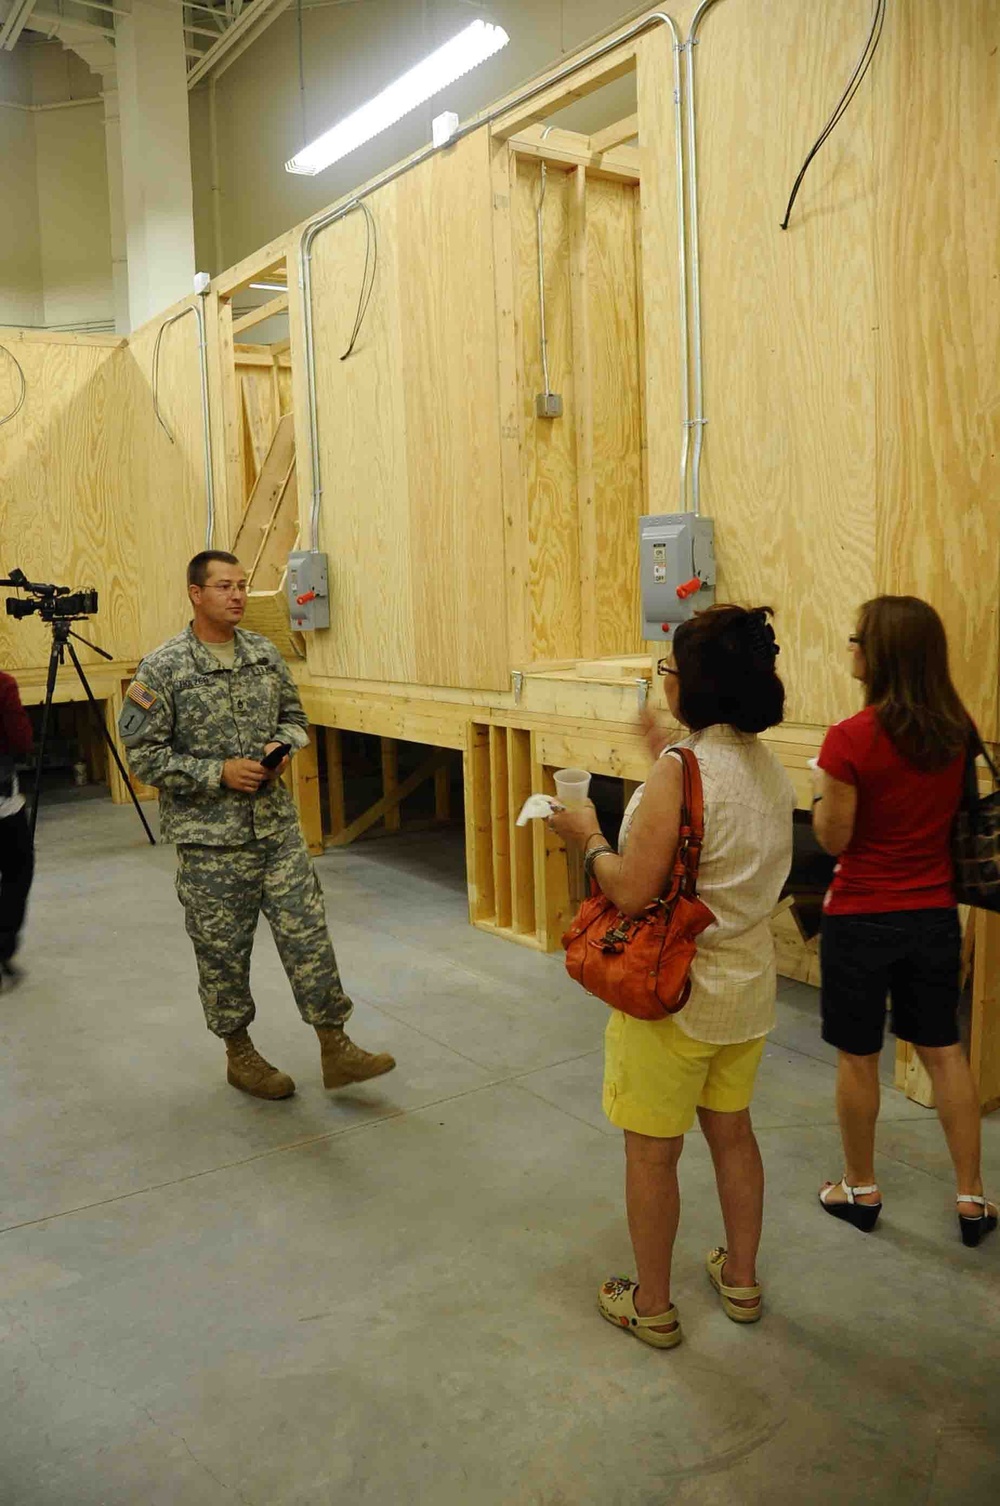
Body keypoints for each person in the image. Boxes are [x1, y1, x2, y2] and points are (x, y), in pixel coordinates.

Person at [550, 605, 794, 1348]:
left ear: (696, 685)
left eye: (670, 672)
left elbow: (630, 889)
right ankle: (742, 1279)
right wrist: (670, 747)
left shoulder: (681, 774)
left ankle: (650, 1303)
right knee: (734, 1135)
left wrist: (584, 833)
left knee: (653, 1153)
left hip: (672, 996)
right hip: (745, 990)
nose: (664, 682)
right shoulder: (768, 769)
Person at [119, 551, 395, 1100]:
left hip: (275, 830)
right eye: (224, 586)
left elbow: (295, 719)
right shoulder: (164, 668)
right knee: (222, 950)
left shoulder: (265, 655)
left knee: (308, 934)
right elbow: (143, 757)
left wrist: (282, 746)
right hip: (212, 843)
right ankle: (239, 1054)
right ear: (196, 594)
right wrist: (215, 772)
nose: (238, 595)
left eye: (242, 585)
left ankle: (334, 1044)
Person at [813, 595, 996, 1246]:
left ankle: (859, 1190)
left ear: (881, 652)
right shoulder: (956, 731)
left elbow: (834, 839)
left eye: (857, 637)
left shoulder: (849, 739)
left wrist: (820, 797)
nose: (852, 648)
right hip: (934, 915)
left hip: (860, 917)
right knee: (945, 1052)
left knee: (859, 1057)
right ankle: (973, 1198)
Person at [0, 668, 35, 989]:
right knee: (17, 869)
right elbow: (21, 739)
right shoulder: (2, 683)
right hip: (2, 807)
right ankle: (3, 947)